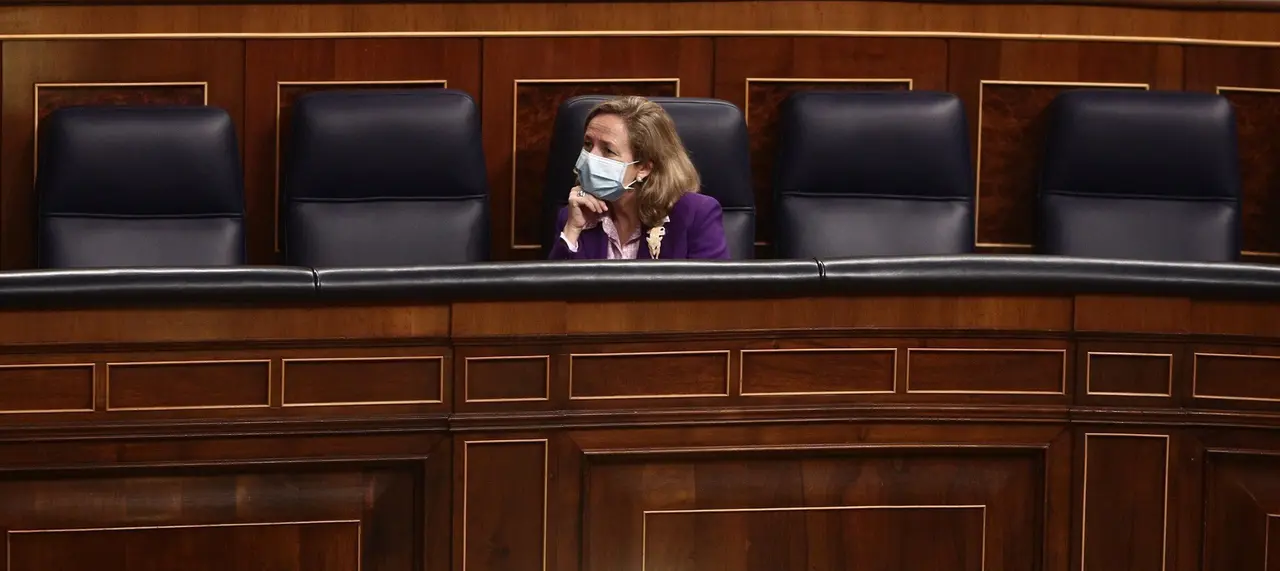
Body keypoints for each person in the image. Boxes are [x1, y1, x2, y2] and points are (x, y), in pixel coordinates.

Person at [548, 96, 730, 260]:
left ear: (643, 167)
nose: (590, 157)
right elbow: (550, 293)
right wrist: (572, 229)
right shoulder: (573, 215)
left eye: (608, 150)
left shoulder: (695, 215)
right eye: (588, 144)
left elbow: (714, 293)